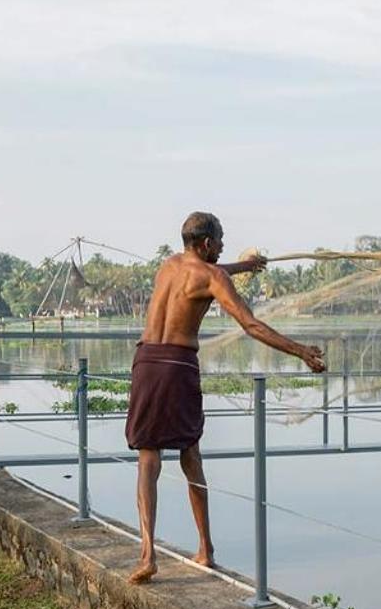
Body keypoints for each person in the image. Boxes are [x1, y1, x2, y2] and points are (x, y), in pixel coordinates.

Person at [125, 211, 326, 585]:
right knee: (190, 454)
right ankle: (205, 549)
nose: (222, 247)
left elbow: (202, 271)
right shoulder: (213, 276)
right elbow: (250, 324)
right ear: (205, 244)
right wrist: (299, 350)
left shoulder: (168, 266)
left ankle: (147, 554)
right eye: (219, 241)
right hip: (178, 366)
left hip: (147, 362)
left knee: (147, 458)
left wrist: (244, 266)